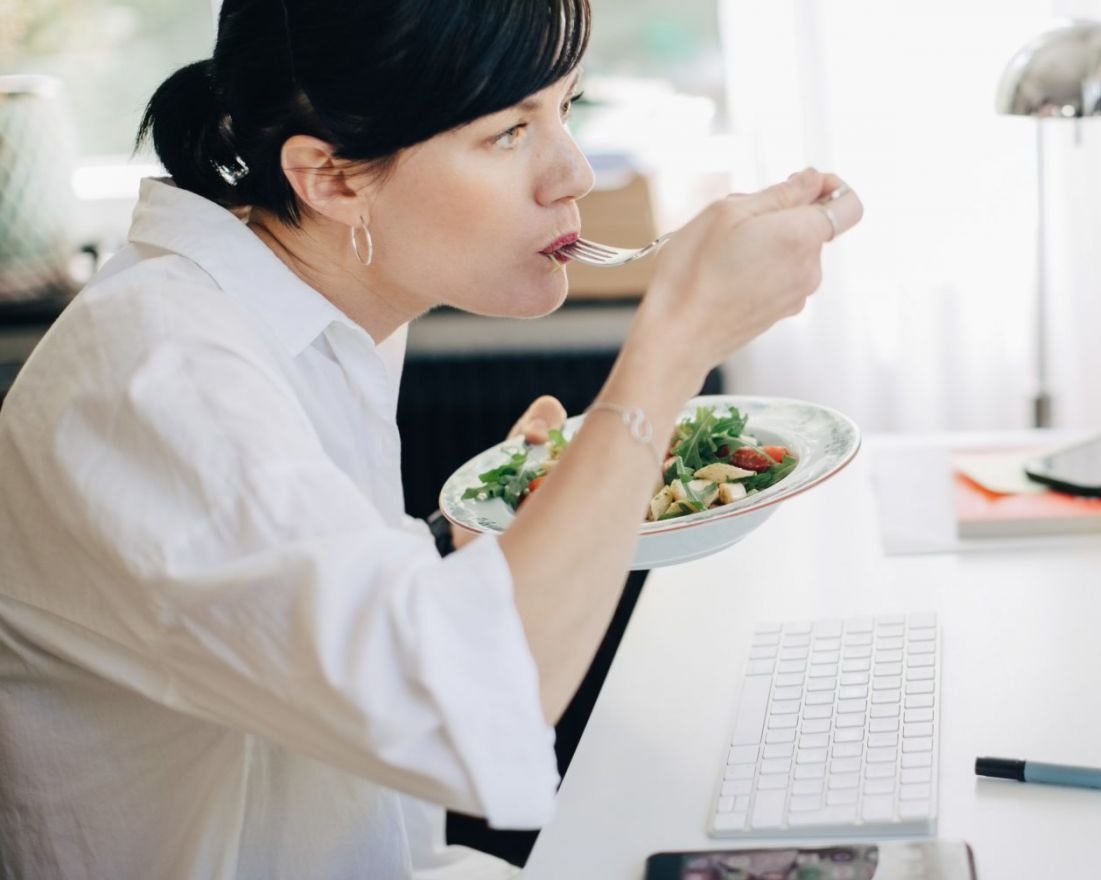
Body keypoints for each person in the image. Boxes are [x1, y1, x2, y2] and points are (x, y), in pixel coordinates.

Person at [0, 0, 862, 877]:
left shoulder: (314, 306)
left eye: (565, 109)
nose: (572, 175)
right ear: (330, 178)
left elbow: (302, 612)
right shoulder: (161, 376)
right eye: (507, 133)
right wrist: (676, 345)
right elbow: (460, 704)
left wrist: (490, 530)